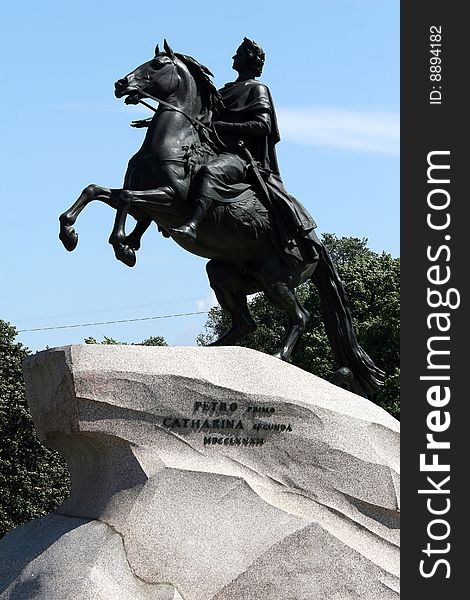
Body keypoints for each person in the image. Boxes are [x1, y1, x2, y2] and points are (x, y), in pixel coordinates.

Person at [170, 38, 318, 264]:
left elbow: (263, 126)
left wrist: (224, 126)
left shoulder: (257, 89)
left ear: (248, 60)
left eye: (237, 53)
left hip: (240, 157)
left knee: (210, 172)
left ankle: (193, 225)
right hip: (214, 150)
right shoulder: (224, 91)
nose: (233, 58)